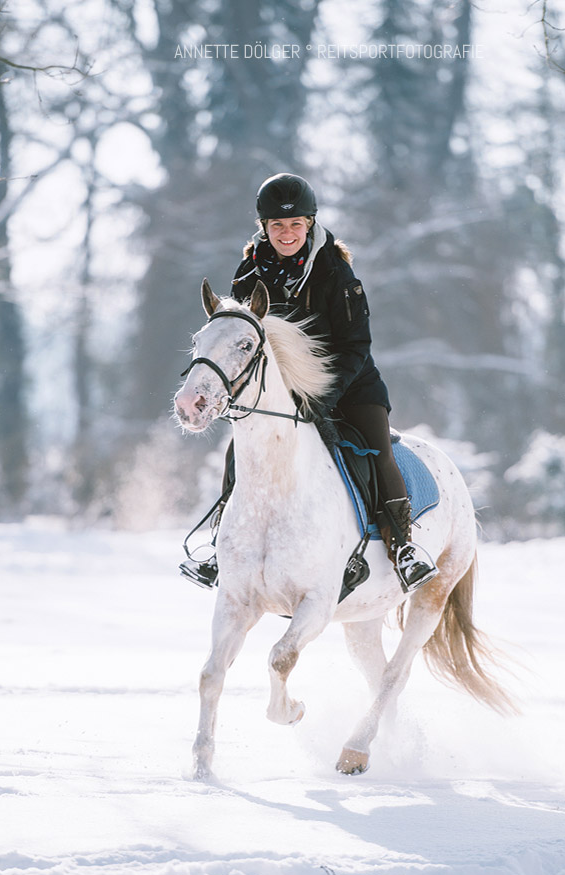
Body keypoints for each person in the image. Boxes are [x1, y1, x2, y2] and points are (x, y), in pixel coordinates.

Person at [179, 172, 437, 594]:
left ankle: (403, 548)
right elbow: (240, 339)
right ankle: (218, 549)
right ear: (264, 228)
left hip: (349, 386)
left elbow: (357, 345)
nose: (287, 233)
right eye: (277, 226)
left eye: (296, 224)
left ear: (310, 224)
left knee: (377, 449)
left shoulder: (337, 273)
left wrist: (326, 395)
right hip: (280, 392)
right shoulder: (248, 274)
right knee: (238, 454)